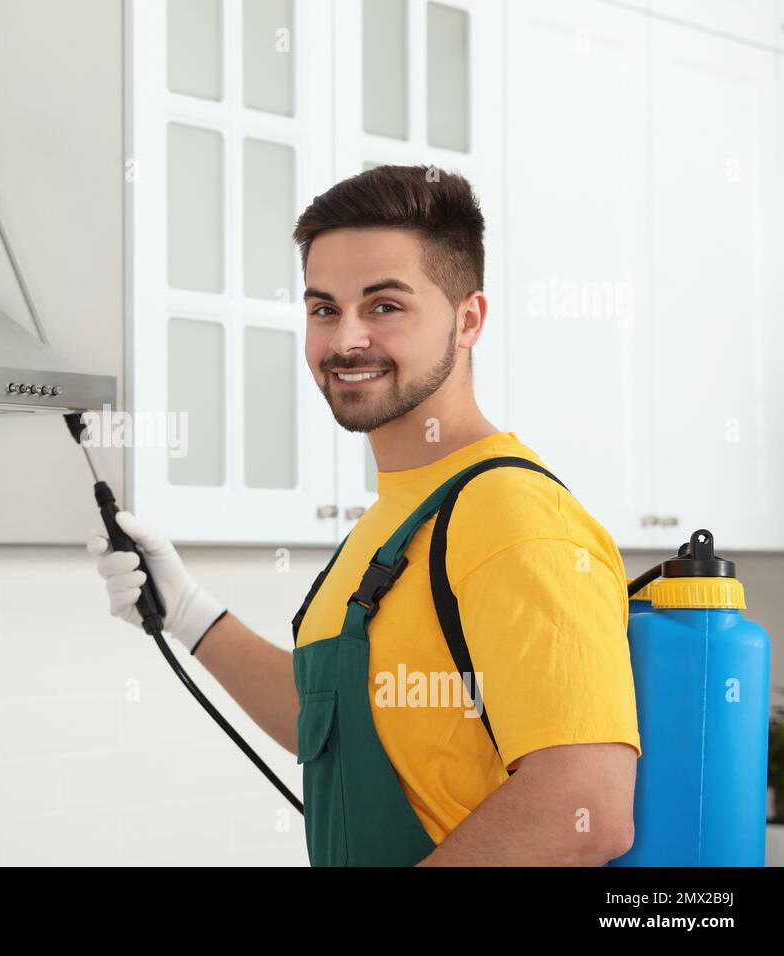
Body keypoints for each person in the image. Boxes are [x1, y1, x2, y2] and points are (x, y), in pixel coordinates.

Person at [88, 165, 640, 866]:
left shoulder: (513, 516)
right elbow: (332, 726)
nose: (346, 341)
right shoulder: (395, 516)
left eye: (384, 306)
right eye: (324, 309)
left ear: (468, 319)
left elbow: (583, 808)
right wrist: (188, 613)